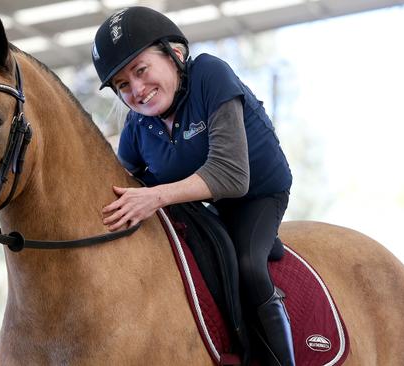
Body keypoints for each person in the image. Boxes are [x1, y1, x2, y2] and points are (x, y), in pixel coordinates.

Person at [92, 7, 294, 366]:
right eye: (123, 85)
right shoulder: (138, 125)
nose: (137, 90)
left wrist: (153, 196)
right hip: (204, 208)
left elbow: (231, 175)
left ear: (176, 55)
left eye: (141, 70)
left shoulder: (210, 74)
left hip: (257, 196)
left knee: (249, 265)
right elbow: (119, 183)